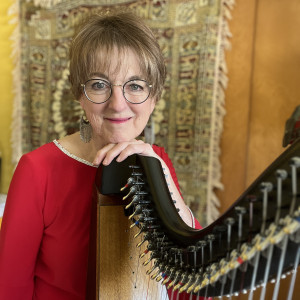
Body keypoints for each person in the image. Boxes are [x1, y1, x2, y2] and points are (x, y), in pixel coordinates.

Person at [0, 10, 201, 300]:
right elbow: (9, 290)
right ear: (78, 93)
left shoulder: (156, 160)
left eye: (135, 86)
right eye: (99, 84)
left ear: (154, 97)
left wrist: (172, 196)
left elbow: (188, 284)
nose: (118, 105)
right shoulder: (37, 170)